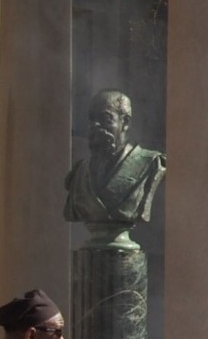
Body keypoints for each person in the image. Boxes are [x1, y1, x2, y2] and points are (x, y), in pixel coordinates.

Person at [64, 89, 167, 233]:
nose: (95, 125)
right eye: (92, 119)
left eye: (105, 119)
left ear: (125, 122)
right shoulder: (79, 172)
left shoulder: (151, 163)